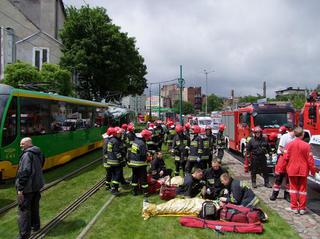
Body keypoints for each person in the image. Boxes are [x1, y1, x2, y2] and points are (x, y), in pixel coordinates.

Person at [16, 137, 45, 239]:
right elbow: (41, 164)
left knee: (23, 211)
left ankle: (24, 235)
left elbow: (24, 172)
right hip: (36, 186)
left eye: (22, 144)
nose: (21, 146)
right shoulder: (38, 152)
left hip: (28, 188)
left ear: (28, 144)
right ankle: (36, 226)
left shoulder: (27, 155)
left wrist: (20, 189)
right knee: (34, 207)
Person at [284, 127, 315, 215]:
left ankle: (294, 207)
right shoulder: (307, 145)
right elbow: (310, 160)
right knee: (303, 189)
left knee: (293, 189)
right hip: (303, 170)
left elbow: (285, 158)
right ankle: (302, 208)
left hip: (292, 169)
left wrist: (281, 168)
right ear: (302, 135)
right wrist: (312, 171)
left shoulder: (289, 145)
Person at [270, 126, 295, 201]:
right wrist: (287, 153)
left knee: (289, 179)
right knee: (279, 178)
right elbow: (281, 148)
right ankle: (274, 194)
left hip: (291, 159)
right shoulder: (285, 137)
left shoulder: (295, 138)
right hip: (283, 158)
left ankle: (287, 195)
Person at [129, 129, 152, 196]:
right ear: (145, 136)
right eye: (147, 137)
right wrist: (149, 158)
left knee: (135, 177)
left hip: (133, 162)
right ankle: (145, 192)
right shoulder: (142, 144)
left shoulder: (135, 141)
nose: (148, 138)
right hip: (140, 164)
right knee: (143, 178)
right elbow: (143, 155)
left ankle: (134, 191)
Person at [107, 127, 126, 195]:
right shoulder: (116, 141)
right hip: (116, 161)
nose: (121, 134)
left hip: (110, 160)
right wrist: (121, 160)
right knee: (117, 175)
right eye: (120, 133)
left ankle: (114, 187)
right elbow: (117, 153)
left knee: (114, 175)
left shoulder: (111, 140)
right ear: (116, 134)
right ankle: (114, 189)